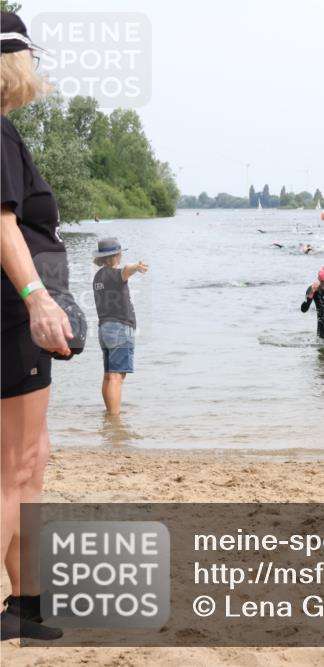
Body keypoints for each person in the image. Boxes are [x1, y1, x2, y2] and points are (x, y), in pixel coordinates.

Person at [0, 11, 67, 640]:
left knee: (31, 460)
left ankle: (26, 607)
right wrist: (37, 298)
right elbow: (2, 223)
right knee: (15, 467)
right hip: (11, 318)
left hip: (14, 321)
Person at [92, 238, 147, 415]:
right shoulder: (114, 274)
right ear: (116, 255)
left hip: (104, 329)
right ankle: (114, 420)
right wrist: (136, 267)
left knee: (109, 375)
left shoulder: (98, 276)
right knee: (116, 377)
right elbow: (126, 270)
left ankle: (109, 415)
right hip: (119, 329)